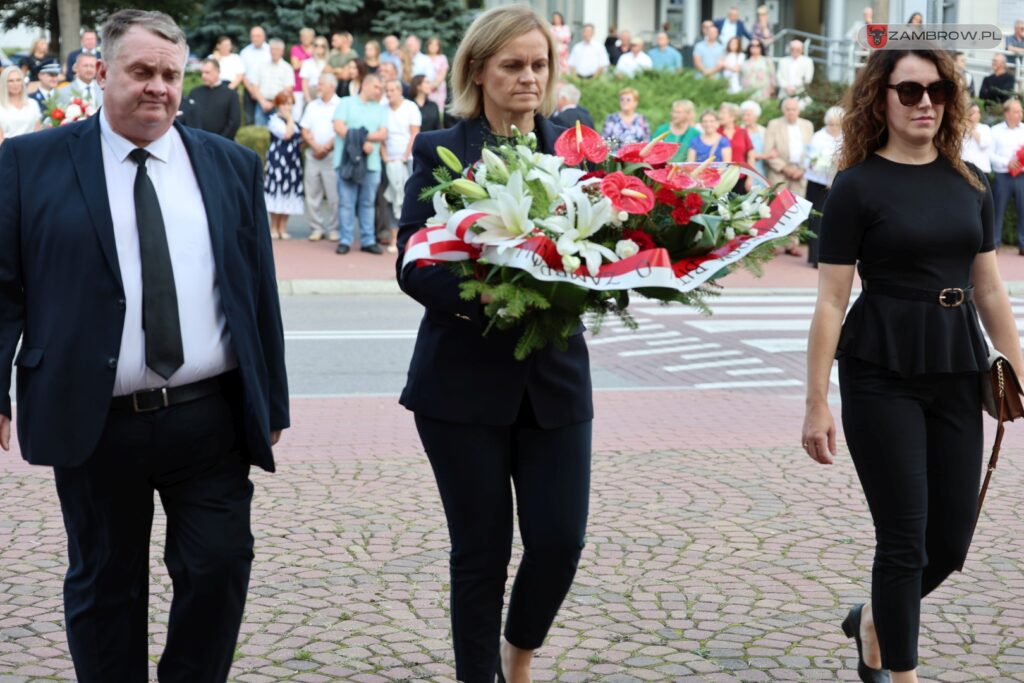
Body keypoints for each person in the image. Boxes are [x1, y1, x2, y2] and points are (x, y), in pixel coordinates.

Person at [0, 10, 289, 683]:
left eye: (170, 74)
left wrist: (270, 396)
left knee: (219, 567)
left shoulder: (229, 167)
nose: (158, 87)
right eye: (141, 71)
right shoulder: (28, 164)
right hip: (94, 418)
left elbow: (256, 293)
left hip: (208, 416)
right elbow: (3, 287)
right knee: (107, 583)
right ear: (101, 71)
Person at [802, 47, 1022, 683]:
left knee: (949, 546)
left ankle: (872, 620)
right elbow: (829, 301)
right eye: (908, 91)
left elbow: (989, 289)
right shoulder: (856, 185)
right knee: (904, 539)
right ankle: (901, 673)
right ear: (881, 100)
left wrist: (1020, 369)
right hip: (880, 369)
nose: (925, 102)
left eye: (937, 91)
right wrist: (817, 400)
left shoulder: (970, 183)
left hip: (957, 365)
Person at [396, 6, 593, 681]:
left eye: (539, 65)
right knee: (480, 553)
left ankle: (519, 651)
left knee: (560, 541)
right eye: (513, 65)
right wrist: (487, 296)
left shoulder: (575, 144)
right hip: (461, 385)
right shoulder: (439, 150)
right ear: (478, 70)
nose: (529, 78)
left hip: (557, 381)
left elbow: (611, 235)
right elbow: (411, 259)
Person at [333, 72, 387, 255]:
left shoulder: (380, 108)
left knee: (368, 203)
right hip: (347, 162)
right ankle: (345, 240)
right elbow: (338, 127)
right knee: (346, 203)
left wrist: (360, 136)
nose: (380, 91)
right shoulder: (346, 103)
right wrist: (362, 141)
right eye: (377, 87)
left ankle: (368, 240)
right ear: (365, 85)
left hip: (372, 165)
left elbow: (383, 134)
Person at [300, 72, 341, 242]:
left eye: (321, 84)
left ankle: (334, 229)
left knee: (334, 196)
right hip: (312, 155)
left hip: (332, 156)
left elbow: (341, 129)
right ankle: (316, 228)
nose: (318, 87)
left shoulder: (341, 104)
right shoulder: (312, 106)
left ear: (332, 86)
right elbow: (305, 128)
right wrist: (316, 146)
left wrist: (326, 147)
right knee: (312, 194)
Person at [381, 79, 421, 253]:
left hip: (408, 160)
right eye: (387, 90)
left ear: (399, 91)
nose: (389, 93)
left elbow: (414, 134)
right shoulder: (382, 109)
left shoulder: (411, 107)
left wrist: (405, 156)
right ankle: (394, 237)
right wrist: (385, 157)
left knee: (408, 199)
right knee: (391, 199)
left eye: (392, 90)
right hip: (390, 162)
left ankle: (410, 238)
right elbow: (381, 136)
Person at [803, 105, 843, 266]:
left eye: (836, 124)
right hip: (817, 182)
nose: (832, 128)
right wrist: (816, 163)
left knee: (836, 219)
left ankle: (834, 256)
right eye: (830, 124)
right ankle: (815, 257)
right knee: (816, 219)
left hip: (838, 183)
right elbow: (808, 157)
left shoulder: (846, 136)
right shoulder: (818, 136)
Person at [264, 90, 304, 239]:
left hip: (292, 161)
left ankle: (283, 227)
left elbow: (300, 139)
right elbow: (287, 135)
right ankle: (273, 226)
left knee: (290, 191)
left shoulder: (295, 121)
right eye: (285, 103)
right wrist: (289, 119)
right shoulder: (274, 120)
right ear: (278, 105)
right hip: (278, 160)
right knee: (277, 190)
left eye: (290, 103)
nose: (288, 107)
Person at [989, 98, 1024, 250]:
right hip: (1002, 176)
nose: (1020, 114)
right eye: (1016, 111)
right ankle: (994, 244)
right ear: (1007, 114)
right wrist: (1006, 162)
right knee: (997, 211)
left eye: (1021, 111)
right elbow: (989, 155)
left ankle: (1023, 245)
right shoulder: (994, 131)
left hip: (1022, 177)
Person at [181, 58, 240, 140]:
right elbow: (188, 117)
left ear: (218, 72)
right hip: (197, 141)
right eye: (202, 72)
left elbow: (234, 122)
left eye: (207, 72)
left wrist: (220, 141)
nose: (203, 76)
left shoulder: (231, 94)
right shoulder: (195, 92)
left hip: (222, 143)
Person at [764, 97, 813, 196]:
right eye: (788, 109)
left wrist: (802, 169)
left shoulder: (807, 125)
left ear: (798, 110)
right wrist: (784, 168)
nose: (791, 112)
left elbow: (811, 151)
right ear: (783, 110)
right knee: (778, 207)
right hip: (779, 175)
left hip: (800, 175)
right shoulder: (774, 124)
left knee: (798, 208)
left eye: (793, 109)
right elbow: (767, 152)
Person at [253, 39, 294, 126]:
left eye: (277, 49)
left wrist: (273, 103)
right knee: (260, 132)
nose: (274, 52)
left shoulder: (287, 68)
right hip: (261, 105)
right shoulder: (262, 66)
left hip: (279, 106)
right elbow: (255, 86)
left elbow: (287, 89)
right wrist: (263, 102)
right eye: (272, 49)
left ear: (282, 51)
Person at [0, 65, 42, 144]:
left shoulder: (33, 104)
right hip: (7, 151)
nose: (15, 84)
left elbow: (37, 133)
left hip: (31, 149)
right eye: (10, 81)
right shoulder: (1, 107)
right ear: (4, 83)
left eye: (18, 80)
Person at [240, 26, 271, 124]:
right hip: (249, 90)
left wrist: (258, 91)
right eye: (253, 36)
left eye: (258, 36)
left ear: (264, 37)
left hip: (265, 90)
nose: (255, 38)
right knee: (249, 119)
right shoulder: (245, 52)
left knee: (264, 119)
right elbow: (242, 73)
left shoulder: (270, 51)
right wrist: (252, 90)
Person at [740, 99, 769, 180]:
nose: (745, 118)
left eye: (748, 115)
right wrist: (764, 156)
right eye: (743, 115)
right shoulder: (739, 131)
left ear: (756, 116)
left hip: (763, 171)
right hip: (746, 171)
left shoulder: (763, 131)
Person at [290, 27, 315, 114]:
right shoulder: (295, 49)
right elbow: (295, 65)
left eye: (308, 37)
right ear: (300, 38)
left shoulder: (316, 49)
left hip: (312, 86)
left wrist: (301, 61)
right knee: (297, 112)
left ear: (312, 38)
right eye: (303, 37)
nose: (305, 39)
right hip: (298, 86)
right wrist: (309, 61)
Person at [718, 102, 752, 166]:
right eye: (720, 113)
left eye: (723, 113)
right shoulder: (716, 132)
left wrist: (749, 175)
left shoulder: (743, 132)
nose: (720, 116)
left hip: (741, 174)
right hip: (720, 174)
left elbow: (750, 155)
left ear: (733, 117)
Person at [962, 102, 992, 173]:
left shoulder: (985, 128)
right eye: (973, 112)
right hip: (965, 169)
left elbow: (984, 144)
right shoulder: (961, 128)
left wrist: (971, 129)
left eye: (978, 112)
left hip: (981, 169)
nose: (977, 115)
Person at [300, 36, 330, 104]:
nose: (319, 48)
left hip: (326, 94)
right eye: (316, 45)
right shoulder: (307, 63)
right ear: (313, 47)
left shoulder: (329, 63)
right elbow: (304, 83)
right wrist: (308, 100)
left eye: (322, 46)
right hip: (311, 92)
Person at [425, 37, 449, 112]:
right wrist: (428, 86)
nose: (433, 47)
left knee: (439, 109)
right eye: (431, 44)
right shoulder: (423, 58)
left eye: (436, 45)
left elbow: (443, 73)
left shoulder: (442, 58)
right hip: (426, 87)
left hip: (439, 88)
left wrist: (434, 85)